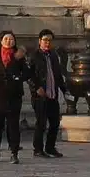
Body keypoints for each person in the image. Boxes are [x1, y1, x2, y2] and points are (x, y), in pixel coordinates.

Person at [0, 31, 29, 164]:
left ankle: (14, 152)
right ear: (1, 40)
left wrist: (19, 78)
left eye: (11, 39)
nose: (9, 41)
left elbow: (26, 72)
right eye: (6, 39)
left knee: (13, 125)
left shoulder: (19, 56)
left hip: (14, 94)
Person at [26, 29, 66, 159]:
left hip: (52, 93)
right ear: (39, 41)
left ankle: (50, 147)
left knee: (54, 123)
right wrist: (36, 87)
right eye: (45, 40)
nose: (47, 43)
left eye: (49, 40)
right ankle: (37, 149)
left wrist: (65, 90)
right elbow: (29, 75)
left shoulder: (54, 56)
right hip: (40, 95)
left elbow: (58, 75)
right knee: (41, 123)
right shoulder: (34, 56)